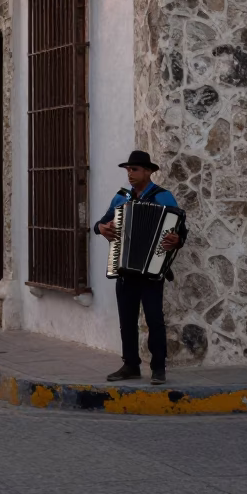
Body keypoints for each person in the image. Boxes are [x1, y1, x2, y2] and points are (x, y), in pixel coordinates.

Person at [93, 150, 187, 386]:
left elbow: (181, 230)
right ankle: (131, 365)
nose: (130, 174)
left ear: (148, 172)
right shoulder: (121, 198)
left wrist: (177, 240)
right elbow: (102, 222)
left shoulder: (163, 197)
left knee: (155, 319)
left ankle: (158, 368)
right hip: (125, 269)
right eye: (128, 170)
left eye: (134, 170)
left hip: (153, 270)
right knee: (127, 319)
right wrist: (101, 228)